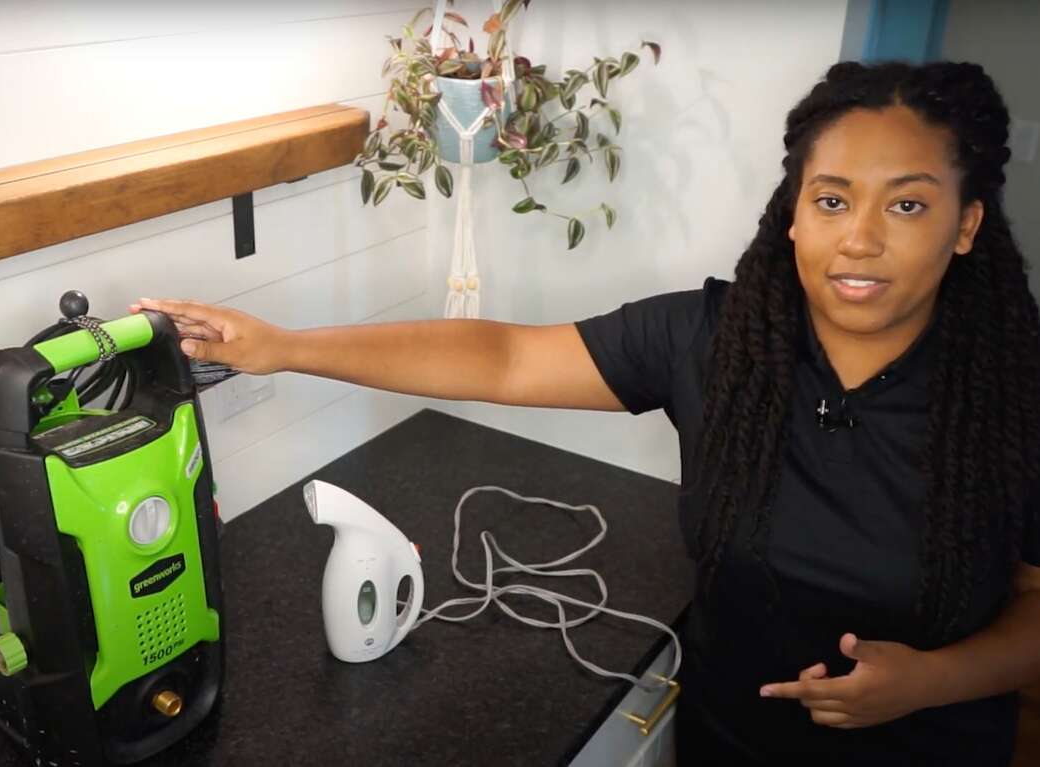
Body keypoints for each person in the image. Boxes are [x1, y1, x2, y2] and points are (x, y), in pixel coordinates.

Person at [131, 60, 1040, 766]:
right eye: (833, 199)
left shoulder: (1013, 392)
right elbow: (506, 354)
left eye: (909, 204)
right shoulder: (717, 341)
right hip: (727, 744)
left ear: (965, 225)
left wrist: (933, 680)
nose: (862, 238)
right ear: (795, 213)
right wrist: (279, 344)